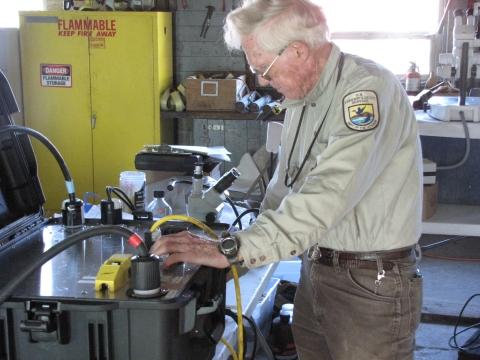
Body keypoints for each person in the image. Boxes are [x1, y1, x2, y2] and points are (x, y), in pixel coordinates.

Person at [150, 0, 424, 358]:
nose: (262, 80)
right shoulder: (301, 97)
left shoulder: (365, 93)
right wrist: (238, 249)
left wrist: (231, 250)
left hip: (369, 285)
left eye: (263, 68)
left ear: (297, 50)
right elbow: (284, 190)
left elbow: (327, 195)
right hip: (316, 270)